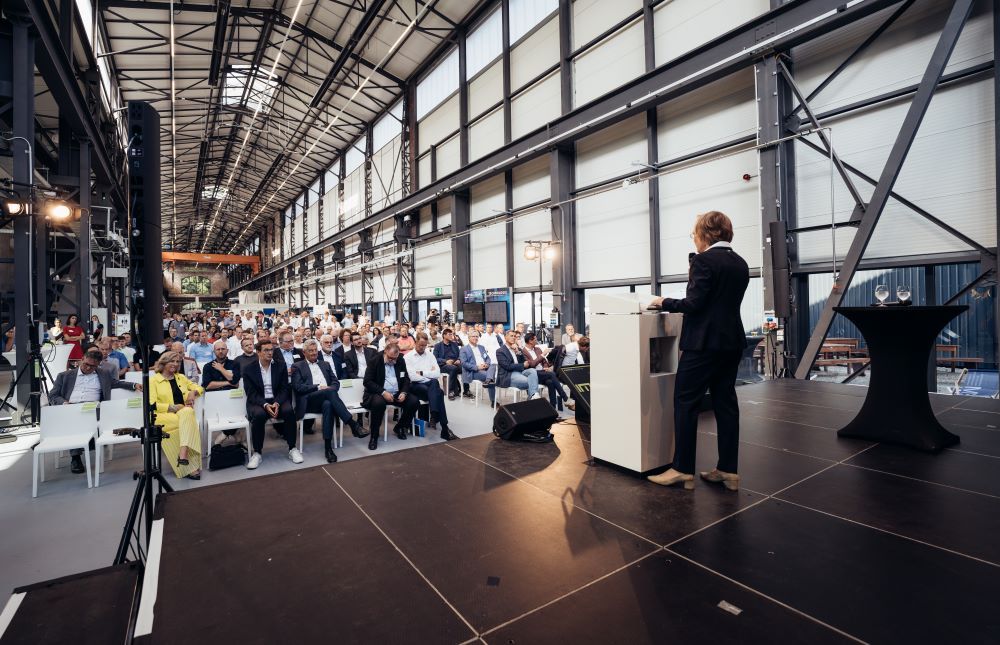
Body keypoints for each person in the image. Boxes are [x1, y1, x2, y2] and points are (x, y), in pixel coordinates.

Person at [647, 210, 749, 491]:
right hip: (731, 343)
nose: (694, 239)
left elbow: (694, 304)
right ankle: (729, 470)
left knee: (686, 402)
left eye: (694, 234)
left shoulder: (705, 261)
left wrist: (661, 301)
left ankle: (681, 469)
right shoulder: (740, 263)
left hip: (703, 344)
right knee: (726, 404)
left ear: (706, 233)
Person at [48, 347, 141, 473]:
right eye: (86, 364)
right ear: (82, 359)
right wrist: (64, 403)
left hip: (94, 409)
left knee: (82, 419)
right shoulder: (64, 376)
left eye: (93, 366)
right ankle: (76, 456)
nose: (88, 368)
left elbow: (117, 383)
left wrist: (134, 385)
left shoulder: (103, 374)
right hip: (70, 408)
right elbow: (53, 395)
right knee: (77, 419)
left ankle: (79, 453)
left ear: (98, 365)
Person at [291, 340, 366, 463]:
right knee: (328, 392)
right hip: (309, 401)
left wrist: (329, 389)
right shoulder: (297, 366)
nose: (314, 353)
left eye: (315, 350)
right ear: (304, 352)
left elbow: (335, 382)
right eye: (310, 351)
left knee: (328, 404)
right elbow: (298, 387)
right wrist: (318, 387)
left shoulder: (325, 364)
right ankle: (353, 424)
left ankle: (328, 448)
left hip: (326, 399)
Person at [241, 339, 302, 469]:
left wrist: (277, 403)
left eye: (271, 350)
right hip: (259, 401)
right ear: (258, 352)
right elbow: (251, 393)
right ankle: (257, 452)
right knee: (259, 415)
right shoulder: (249, 369)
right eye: (266, 350)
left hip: (277, 399)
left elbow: (284, 389)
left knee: (289, 411)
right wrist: (265, 405)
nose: (270, 353)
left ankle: (292, 448)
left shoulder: (280, 366)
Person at [149, 351, 204, 480]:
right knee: (188, 417)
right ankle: (189, 463)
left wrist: (193, 392)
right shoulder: (154, 381)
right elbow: (151, 404)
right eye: (171, 361)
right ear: (163, 363)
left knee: (187, 412)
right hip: (162, 416)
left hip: (182, 414)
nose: (175, 364)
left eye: (177, 361)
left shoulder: (181, 378)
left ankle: (184, 456)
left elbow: (199, 388)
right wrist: (171, 407)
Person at [362, 343, 418, 451]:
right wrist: (383, 392)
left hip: (396, 392)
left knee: (414, 402)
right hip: (378, 393)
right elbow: (367, 382)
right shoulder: (375, 361)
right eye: (390, 358)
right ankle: (374, 436)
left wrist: (404, 392)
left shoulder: (400, 360)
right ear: (385, 352)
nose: (393, 361)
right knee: (378, 404)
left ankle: (400, 427)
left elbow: (406, 378)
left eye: (395, 358)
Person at [405, 333, 456, 440]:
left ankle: (439, 420)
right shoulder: (408, 357)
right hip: (416, 386)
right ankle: (439, 421)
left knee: (435, 385)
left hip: (429, 384)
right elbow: (413, 377)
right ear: (415, 343)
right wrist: (429, 374)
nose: (422, 348)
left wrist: (422, 373)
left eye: (424, 345)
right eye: (420, 345)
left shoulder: (430, 355)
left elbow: (437, 373)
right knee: (439, 392)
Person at [523, 332, 569, 411]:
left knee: (550, 382)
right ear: (530, 341)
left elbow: (544, 361)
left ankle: (553, 409)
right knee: (552, 374)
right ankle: (565, 398)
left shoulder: (537, 349)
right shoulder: (524, 352)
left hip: (543, 372)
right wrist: (543, 354)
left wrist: (546, 367)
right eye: (535, 340)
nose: (536, 341)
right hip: (533, 374)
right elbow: (532, 364)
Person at [495, 330, 539, 400]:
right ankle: (532, 397)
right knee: (531, 381)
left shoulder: (518, 349)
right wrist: (522, 365)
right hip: (509, 374)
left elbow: (524, 362)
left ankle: (532, 396)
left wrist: (518, 352)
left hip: (520, 372)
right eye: (511, 336)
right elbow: (507, 366)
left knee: (533, 370)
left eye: (514, 336)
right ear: (505, 337)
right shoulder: (500, 351)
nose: (513, 338)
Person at [459, 330, 496, 404]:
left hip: (485, 368)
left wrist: (487, 364)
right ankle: (493, 401)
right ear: (469, 338)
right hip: (473, 371)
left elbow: (487, 358)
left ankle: (488, 380)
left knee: (493, 365)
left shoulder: (481, 347)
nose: (475, 338)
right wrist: (477, 367)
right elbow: (464, 363)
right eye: (473, 336)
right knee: (491, 377)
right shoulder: (464, 349)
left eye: (477, 336)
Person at [433, 328, 463, 400]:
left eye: (452, 334)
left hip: (455, 363)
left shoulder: (454, 344)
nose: (451, 336)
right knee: (453, 369)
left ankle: (466, 390)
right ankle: (451, 391)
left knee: (465, 367)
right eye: (449, 334)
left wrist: (459, 359)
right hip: (444, 365)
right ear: (444, 335)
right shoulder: (438, 346)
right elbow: (435, 358)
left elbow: (460, 354)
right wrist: (445, 361)